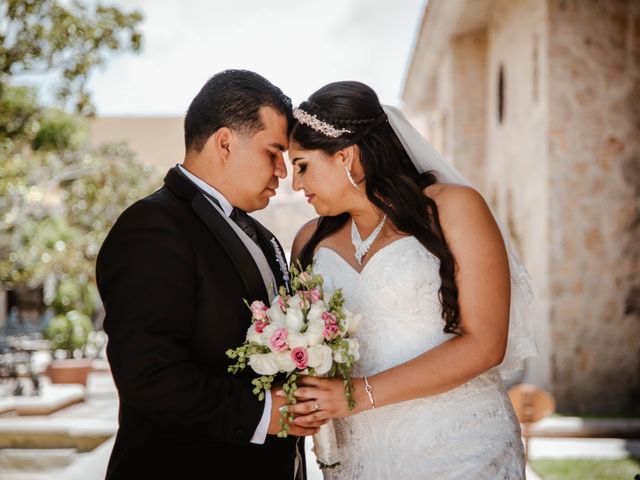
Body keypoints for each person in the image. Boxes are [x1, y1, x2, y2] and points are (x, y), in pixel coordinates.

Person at [284, 81, 536, 479]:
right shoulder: (309, 242)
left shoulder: (454, 208)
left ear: (346, 157)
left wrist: (356, 396)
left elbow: (486, 343)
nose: (296, 185)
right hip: (359, 456)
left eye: (302, 166)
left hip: (458, 447)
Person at [96, 70, 322, 479]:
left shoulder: (261, 233)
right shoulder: (151, 227)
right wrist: (266, 412)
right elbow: (148, 374)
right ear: (224, 142)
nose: (283, 172)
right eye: (273, 152)